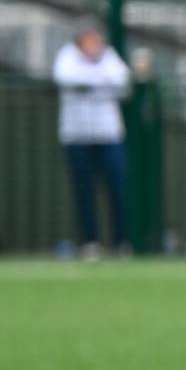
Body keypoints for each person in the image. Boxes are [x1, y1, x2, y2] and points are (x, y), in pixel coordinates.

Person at [52, 20, 130, 257]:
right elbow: (66, 77)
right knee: (84, 190)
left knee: (117, 188)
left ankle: (121, 242)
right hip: (77, 135)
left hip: (108, 134)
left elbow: (121, 80)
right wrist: (99, 80)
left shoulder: (109, 57)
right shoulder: (67, 56)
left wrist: (92, 80)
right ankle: (90, 241)